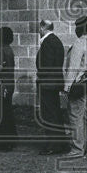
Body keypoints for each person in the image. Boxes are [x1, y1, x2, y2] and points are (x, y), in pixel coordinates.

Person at [64, 15, 87, 157]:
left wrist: (67, 87)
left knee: (75, 116)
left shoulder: (80, 42)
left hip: (79, 84)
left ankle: (76, 149)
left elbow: (73, 68)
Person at [35, 19, 68, 155]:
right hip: (53, 83)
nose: (38, 30)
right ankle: (61, 144)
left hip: (47, 83)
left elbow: (46, 65)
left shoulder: (48, 42)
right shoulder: (56, 41)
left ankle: (53, 145)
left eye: (39, 28)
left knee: (49, 115)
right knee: (55, 113)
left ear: (43, 27)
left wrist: (40, 76)